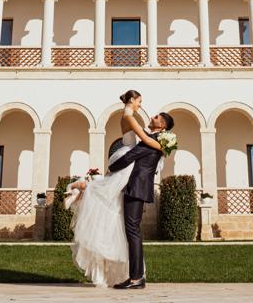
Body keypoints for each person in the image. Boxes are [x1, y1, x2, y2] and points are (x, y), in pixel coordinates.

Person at [64, 90, 174, 288]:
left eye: (157, 117)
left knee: (132, 230)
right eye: (140, 102)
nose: (152, 116)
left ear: (162, 125)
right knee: (132, 230)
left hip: (136, 187)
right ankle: (136, 277)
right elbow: (139, 148)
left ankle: (136, 278)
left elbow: (132, 155)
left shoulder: (154, 141)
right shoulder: (153, 138)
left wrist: (113, 167)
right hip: (135, 186)